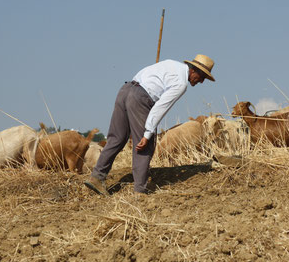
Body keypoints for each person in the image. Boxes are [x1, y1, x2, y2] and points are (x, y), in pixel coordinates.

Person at [84, 54, 215, 195]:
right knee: (144, 145)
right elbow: (160, 107)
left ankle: (97, 177)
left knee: (117, 138)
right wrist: (148, 134)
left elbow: (144, 74)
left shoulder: (171, 63)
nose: (201, 82)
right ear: (194, 71)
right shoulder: (181, 83)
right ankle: (140, 190)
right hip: (140, 98)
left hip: (126, 89)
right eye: (202, 77)